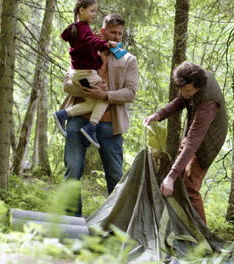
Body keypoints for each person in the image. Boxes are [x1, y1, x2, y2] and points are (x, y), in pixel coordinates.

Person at [60, 13, 138, 217]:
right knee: (72, 171)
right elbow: (67, 84)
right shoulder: (83, 49)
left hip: (110, 124)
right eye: (113, 32)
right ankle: (72, 223)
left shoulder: (128, 59)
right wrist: (86, 91)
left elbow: (131, 93)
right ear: (102, 31)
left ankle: (114, 225)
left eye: (120, 33)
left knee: (115, 176)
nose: (117, 36)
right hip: (78, 119)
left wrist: (105, 95)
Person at [143, 62, 228, 224]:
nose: (184, 93)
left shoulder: (208, 102)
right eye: (182, 89)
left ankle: (203, 238)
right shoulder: (189, 83)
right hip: (193, 133)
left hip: (207, 141)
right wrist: (158, 115)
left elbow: (194, 141)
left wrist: (170, 176)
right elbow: (181, 100)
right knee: (177, 180)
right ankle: (181, 226)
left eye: (188, 91)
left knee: (189, 187)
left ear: (198, 87)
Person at [53, 0, 118, 148]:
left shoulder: (76, 28)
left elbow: (85, 42)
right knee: (105, 96)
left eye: (95, 11)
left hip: (77, 72)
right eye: (92, 11)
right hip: (85, 72)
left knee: (91, 102)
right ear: (81, 10)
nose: (95, 14)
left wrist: (92, 38)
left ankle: (63, 114)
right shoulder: (83, 28)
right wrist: (106, 44)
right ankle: (91, 126)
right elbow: (89, 40)